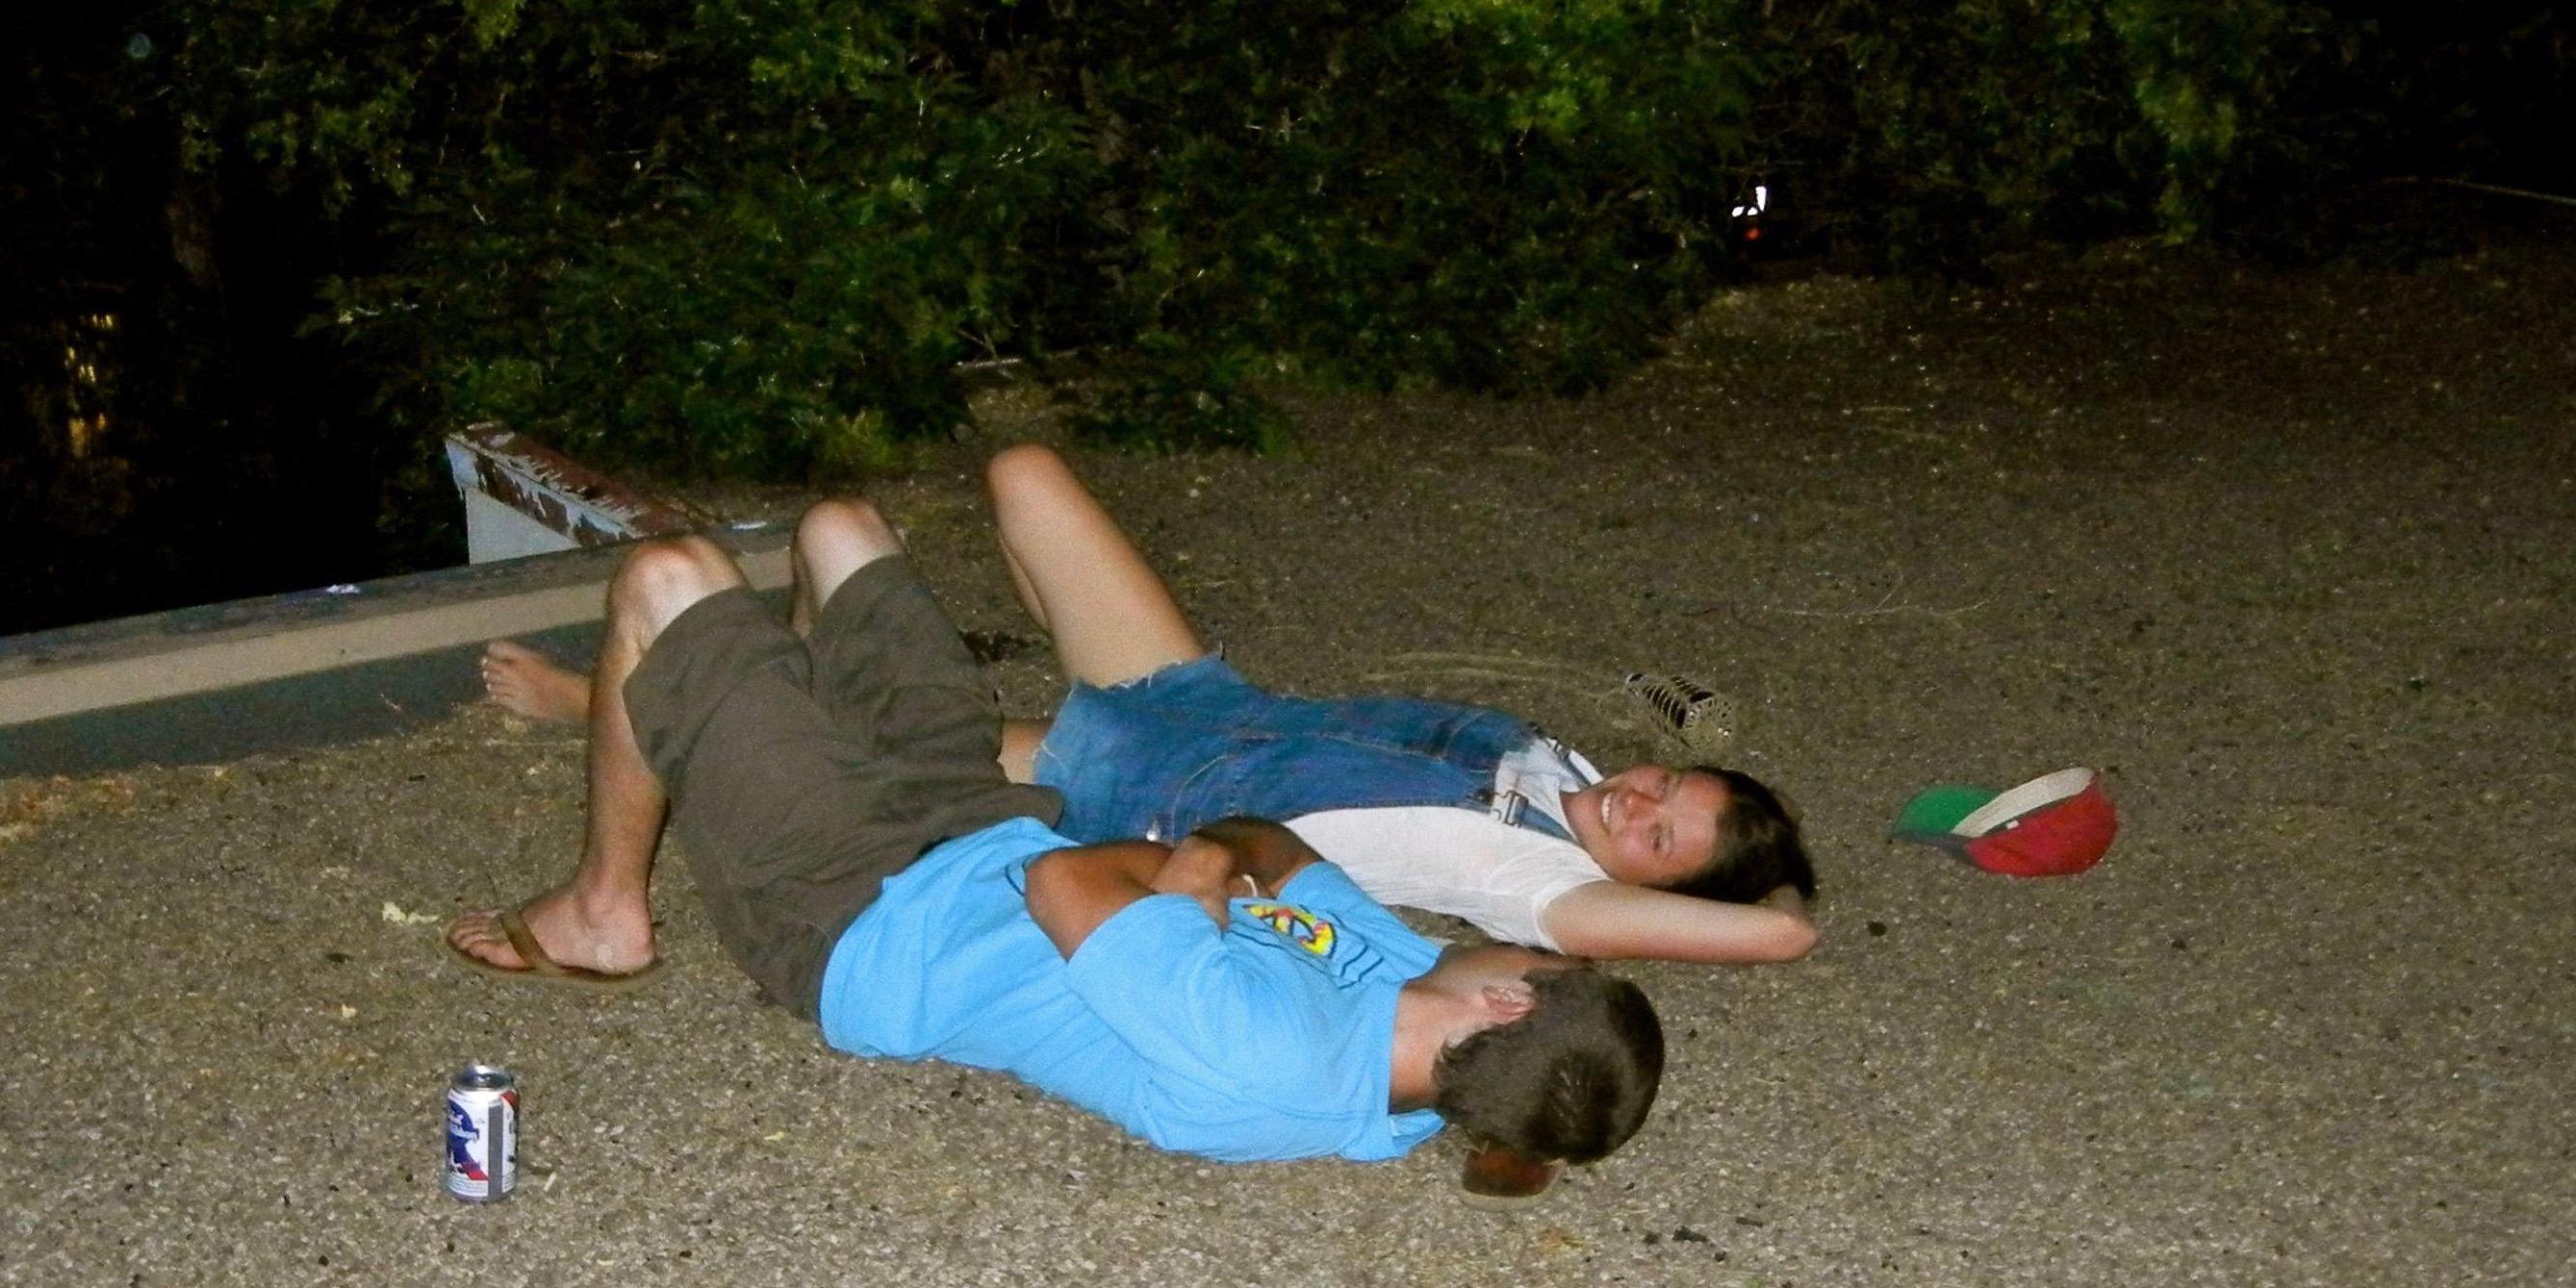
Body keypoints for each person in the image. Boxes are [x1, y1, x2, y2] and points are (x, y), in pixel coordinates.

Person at [446, 500, 1665, 1192]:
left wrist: (1199, 871)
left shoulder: (1271, 1061)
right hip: (968, 819)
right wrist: (1196, 870)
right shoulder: (1403, 981)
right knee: (839, 529)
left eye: (1537, 959)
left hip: (863, 923)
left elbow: (1070, 877)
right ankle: (741, 715)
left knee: (670, 572)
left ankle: (603, 913)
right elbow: (1256, 836)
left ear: (1507, 1000)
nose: (1507, 937)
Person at [487, 449, 1819, 969]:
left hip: (1131, 792)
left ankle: (620, 698)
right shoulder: (1571, 770)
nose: (1637, 799)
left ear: (1638, 887)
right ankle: (644, 695)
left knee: (861, 721)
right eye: (1663, 784)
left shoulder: (1538, 886)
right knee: (1020, 476)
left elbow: (1783, 942)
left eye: (1653, 833)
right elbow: (1641, 785)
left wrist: (1762, 898)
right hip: (1183, 696)